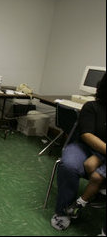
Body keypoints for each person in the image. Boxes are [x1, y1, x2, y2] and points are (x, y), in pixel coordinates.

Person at [51, 73, 106, 231]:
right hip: (84, 147)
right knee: (68, 166)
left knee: (95, 173)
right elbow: (87, 135)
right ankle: (63, 211)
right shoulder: (92, 107)